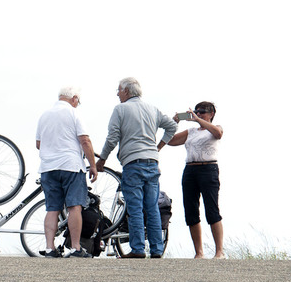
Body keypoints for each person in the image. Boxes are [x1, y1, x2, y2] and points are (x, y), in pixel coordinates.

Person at [96, 77, 178, 258]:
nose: (117, 94)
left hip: (133, 163)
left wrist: (102, 159)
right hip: (152, 162)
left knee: (134, 207)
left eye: (119, 90)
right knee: (152, 207)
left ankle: (138, 249)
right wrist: (158, 147)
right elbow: (172, 126)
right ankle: (157, 250)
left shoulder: (120, 109)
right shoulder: (152, 109)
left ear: (126, 91)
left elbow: (112, 138)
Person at [35, 86, 98, 258]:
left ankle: (49, 248)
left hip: (48, 168)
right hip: (70, 166)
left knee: (52, 208)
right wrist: (92, 165)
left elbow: (39, 144)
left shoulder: (44, 115)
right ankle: (76, 248)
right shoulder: (73, 113)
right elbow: (85, 140)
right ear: (74, 98)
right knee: (74, 207)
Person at [167, 101, 225, 258]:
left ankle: (219, 251)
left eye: (202, 112)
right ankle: (199, 252)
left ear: (211, 114)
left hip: (208, 169)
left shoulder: (216, 128)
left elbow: (218, 134)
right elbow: (171, 141)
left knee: (212, 209)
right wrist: (174, 123)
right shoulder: (191, 131)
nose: (198, 114)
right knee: (191, 210)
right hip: (191, 170)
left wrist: (198, 120)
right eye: (197, 112)